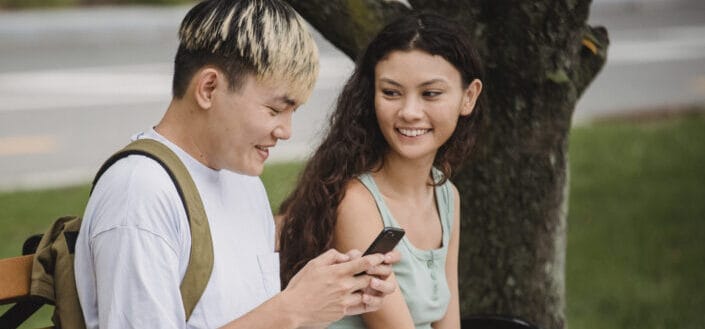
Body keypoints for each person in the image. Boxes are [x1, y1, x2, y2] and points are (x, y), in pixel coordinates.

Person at [73, 0, 399, 328]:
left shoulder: (242, 180)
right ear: (209, 88)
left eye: (292, 113)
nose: (285, 131)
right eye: (274, 110)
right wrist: (292, 309)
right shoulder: (140, 194)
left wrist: (327, 299)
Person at [278, 12, 485, 329]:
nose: (409, 112)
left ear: (468, 97)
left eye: (430, 93)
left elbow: (448, 321)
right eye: (391, 92)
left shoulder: (446, 196)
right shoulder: (356, 204)